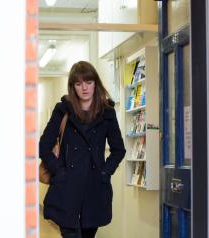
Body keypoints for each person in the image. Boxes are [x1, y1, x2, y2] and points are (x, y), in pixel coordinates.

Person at [39, 61, 126, 238]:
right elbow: (44, 146)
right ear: (73, 87)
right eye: (79, 84)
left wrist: (105, 172)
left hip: (94, 187)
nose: (84, 88)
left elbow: (119, 149)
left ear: (96, 83)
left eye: (89, 82)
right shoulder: (63, 110)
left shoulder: (107, 113)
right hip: (66, 188)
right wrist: (59, 172)